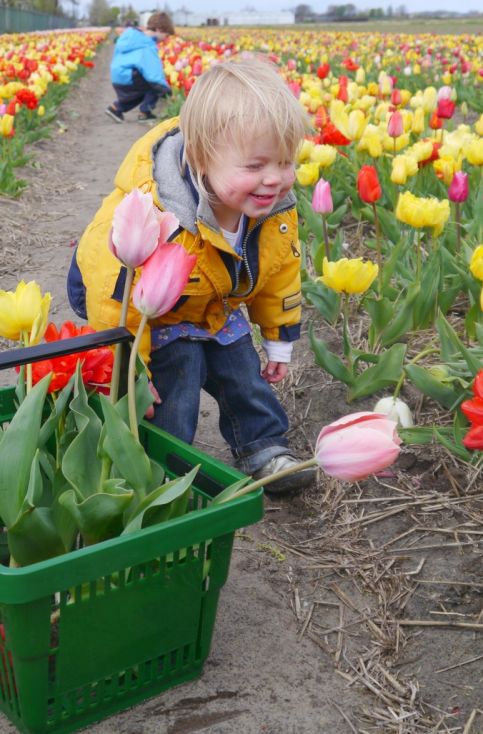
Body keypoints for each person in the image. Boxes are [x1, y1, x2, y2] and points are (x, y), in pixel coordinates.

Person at [68, 58, 316, 495]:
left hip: (217, 306)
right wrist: (129, 366)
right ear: (202, 158)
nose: (275, 179)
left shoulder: (275, 209)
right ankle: (161, 466)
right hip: (154, 318)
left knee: (243, 375)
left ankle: (263, 445)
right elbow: (112, 290)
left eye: (285, 161)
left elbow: (280, 270)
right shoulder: (154, 207)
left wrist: (278, 337)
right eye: (256, 166)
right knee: (175, 389)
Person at [105, 11, 174, 124]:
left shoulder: (130, 36)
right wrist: (167, 91)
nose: (166, 39)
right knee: (155, 87)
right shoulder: (147, 45)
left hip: (118, 76)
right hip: (129, 77)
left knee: (142, 92)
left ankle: (115, 109)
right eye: (166, 35)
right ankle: (145, 114)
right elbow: (154, 75)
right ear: (159, 29)